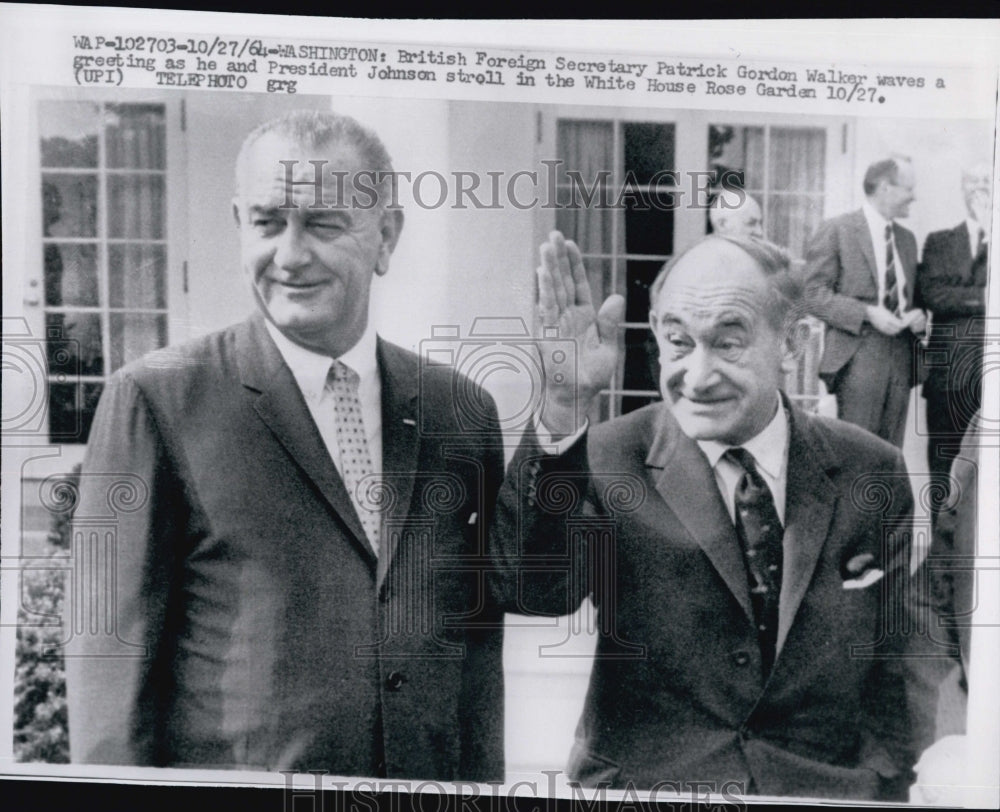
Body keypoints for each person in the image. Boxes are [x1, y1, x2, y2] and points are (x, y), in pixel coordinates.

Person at [63, 110, 619, 779]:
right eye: (268, 222)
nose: (290, 255)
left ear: (385, 236)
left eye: (323, 224)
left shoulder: (455, 408)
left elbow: (536, 588)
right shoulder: (158, 401)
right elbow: (107, 656)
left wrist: (561, 411)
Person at [525, 234, 942, 799]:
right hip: (649, 792)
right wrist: (563, 407)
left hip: (819, 791)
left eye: (728, 343)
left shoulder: (872, 471)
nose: (697, 377)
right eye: (678, 342)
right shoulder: (607, 455)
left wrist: (881, 781)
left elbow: (900, 662)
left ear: (793, 343)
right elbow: (533, 588)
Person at [802, 156, 927, 448]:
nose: (914, 197)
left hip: (901, 357)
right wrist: (868, 313)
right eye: (909, 189)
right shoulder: (837, 229)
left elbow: (912, 299)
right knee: (857, 452)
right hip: (858, 356)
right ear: (885, 188)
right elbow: (812, 295)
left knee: (890, 455)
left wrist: (919, 317)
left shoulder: (907, 239)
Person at [913, 163, 991, 523]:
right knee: (945, 465)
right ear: (962, 189)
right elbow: (934, 294)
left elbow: (951, 294)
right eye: (973, 182)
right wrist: (985, 296)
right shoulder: (940, 242)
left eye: (989, 181)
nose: (980, 189)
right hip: (950, 378)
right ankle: (941, 560)